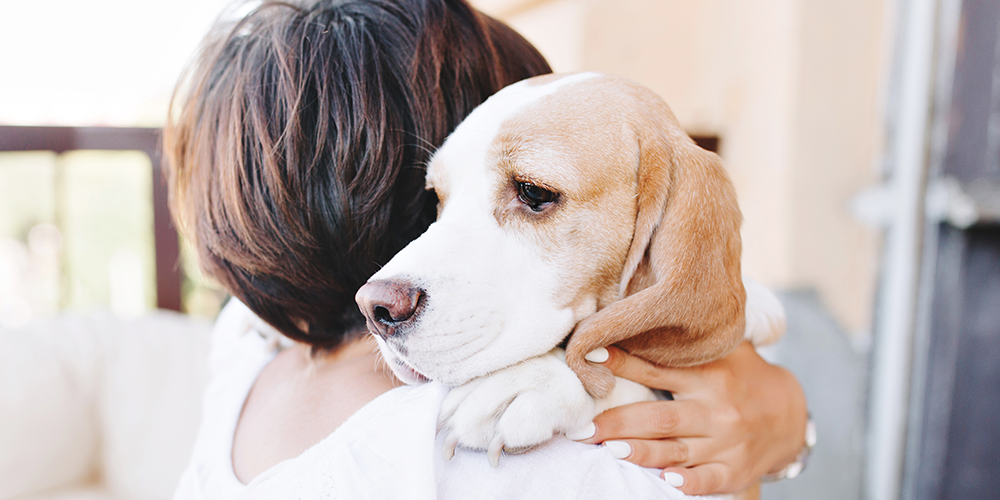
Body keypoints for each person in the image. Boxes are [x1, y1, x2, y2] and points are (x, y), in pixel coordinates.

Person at [164, 0, 809, 497]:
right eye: (442, 201)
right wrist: (786, 426)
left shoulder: (244, 344)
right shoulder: (521, 463)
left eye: (529, 193)